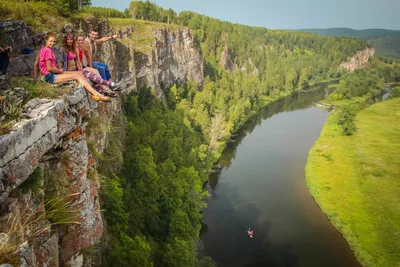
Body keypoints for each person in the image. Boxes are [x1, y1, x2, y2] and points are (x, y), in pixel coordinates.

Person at [33, 32, 110, 102]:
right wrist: (59, 71)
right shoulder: (48, 51)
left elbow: (36, 63)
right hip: (51, 76)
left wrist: (35, 78)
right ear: (46, 41)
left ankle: (96, 93)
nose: (52, 43)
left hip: (50, 74)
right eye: (50, 41)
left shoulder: (43, 49)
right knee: (78, 77)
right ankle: (97, 95)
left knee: (80, 73)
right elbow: (49, 68)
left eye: (54, 41)